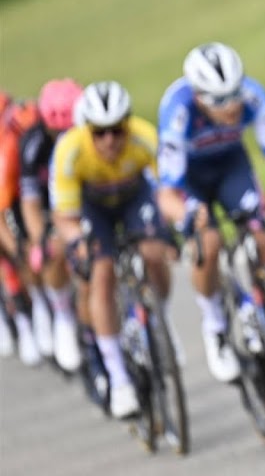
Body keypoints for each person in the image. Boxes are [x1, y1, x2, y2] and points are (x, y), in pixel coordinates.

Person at [156, 42, 265, 386]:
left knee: (261, 239)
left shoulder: (253, 97)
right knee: (210, 242)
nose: (230, 106)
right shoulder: (178, 112)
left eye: (233, 94)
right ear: (199, 96)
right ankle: (215, 326)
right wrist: (188, 214)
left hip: (231, 166)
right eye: (219, 100)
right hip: (190, 179)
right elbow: (167, 194)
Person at [50, 81, 173, 418]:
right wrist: (78, 242)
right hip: (92, 210)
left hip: (134, 197)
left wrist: (171, 225)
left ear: (128, 125)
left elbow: (168, 188)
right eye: (100, 132)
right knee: (101, 274)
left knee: (153, 252)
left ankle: (161, 317)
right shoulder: (70, 151)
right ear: (87, 129)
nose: (110, 140)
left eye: (117, 131)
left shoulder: (144, 137)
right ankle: (119, 380)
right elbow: (64, 217)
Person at [19, 79, 84, 371]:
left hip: (85, 197)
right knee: (52, 250)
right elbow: (29, 203)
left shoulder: (91, 132)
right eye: (58, 132)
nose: (64, 138)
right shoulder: (32, 146)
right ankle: (62, 314)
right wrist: (41, 237)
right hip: (49, 206)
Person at [0, 96, 44, 366]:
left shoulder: (25, 119)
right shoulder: (8, 150)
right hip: (8, 195)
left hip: (21, 189)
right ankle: (21, 322)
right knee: (11, 256)